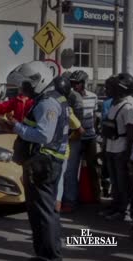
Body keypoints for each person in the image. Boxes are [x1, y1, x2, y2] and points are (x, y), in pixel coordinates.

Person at [7, 61, 68, 261]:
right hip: (44, 163)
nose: (23, 89)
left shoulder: (47, 103)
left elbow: (43, 135)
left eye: (26, 85)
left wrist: (16, 127)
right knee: (38, 212)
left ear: (38, 81)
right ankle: (43, 255)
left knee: (43, 214)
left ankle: (49, 260)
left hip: (44, 165)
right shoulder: (49, 98)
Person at [62, 70, 99, 213]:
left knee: (93, 168)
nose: (74, 85)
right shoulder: (70, 97)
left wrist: (94, 132)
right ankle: (70, 201)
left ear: (84, 83)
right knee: (71, 170)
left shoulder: (93, 97)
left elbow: (94, 116)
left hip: (90, 137)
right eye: (72, 83)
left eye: (77, 83)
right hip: (75, 138)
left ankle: (95, 197)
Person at [101, 73, 133, 221]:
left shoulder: (128, 106)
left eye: (112, 87)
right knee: (114, 182)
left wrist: (128, 154)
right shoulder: (114, 103)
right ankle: (115, 207)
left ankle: (123, 210)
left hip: (120, 150)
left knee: (122, 183)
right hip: (110, 148)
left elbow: (130, 133)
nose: (108, 90)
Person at [52, 76, 85, 212]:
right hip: (57, 148)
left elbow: (80, 128)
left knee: (68, 174)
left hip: (66, 146)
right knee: (59, 177)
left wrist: (69, 137)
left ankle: (69, 202)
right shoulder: (55, 105)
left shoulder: (70, 103)